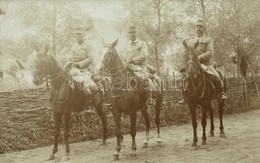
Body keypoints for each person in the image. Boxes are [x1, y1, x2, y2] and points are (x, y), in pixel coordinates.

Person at [179, 20, 227, 105]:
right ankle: (184, 97)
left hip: (206, 63)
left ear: (203, 28)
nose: (198, 28)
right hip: (193, 64)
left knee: (216, 75)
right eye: (197, 26)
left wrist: (198, 58)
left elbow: (210, 52)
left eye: (200, 26)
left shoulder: (208, 39)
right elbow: (187, 53)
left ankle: (221, 93)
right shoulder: (191, 40)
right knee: (183, 77)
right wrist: (189, 59)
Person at [67, 27, 99, 113]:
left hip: (85, 70)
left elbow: (91, 58)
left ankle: (88, 105)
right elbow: (69, 58)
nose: (78, 36)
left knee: (86, 86)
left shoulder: (88, 45)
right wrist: (68, 63)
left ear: (83, 35)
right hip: (73, 71)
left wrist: (79, 64)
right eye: (76, 34)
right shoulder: (74, 46)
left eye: (80, 34)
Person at [125, 25, 157, 107]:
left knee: (144, 77)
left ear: (136, 33)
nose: (132, 34)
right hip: (129, 67)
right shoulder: (127, 45)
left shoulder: (142, 43)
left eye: (133, 33)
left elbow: (144, 56)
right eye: (130, 33)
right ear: (129, 34)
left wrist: (133, 60)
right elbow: (125, 57)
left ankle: (149, 99)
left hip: (140, 66)